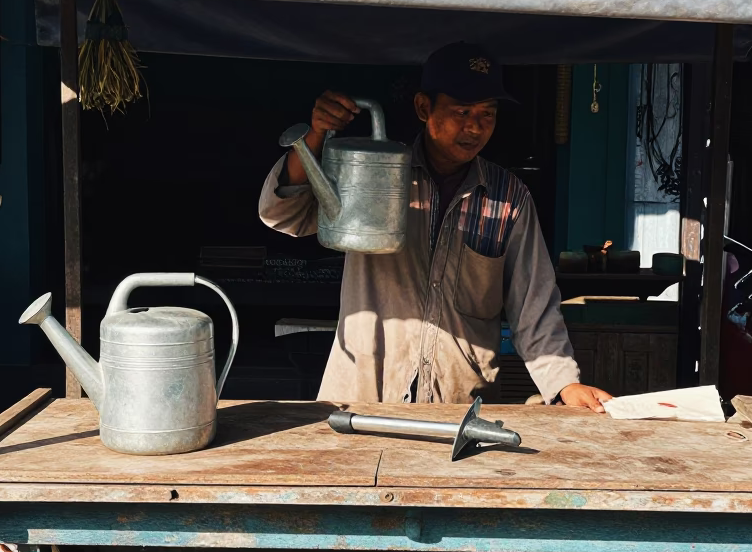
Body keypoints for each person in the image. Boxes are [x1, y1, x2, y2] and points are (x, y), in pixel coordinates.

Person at [259, 41, 614, 411]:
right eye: (462, 111)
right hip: (359, 398)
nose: (475, 127)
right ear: (423, 108)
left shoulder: (509, 198)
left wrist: (565, 384)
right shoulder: (374, 174)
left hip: (459, 406)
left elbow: (533, 304)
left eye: (487, 114)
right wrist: (314, 138)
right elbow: (284, 215)